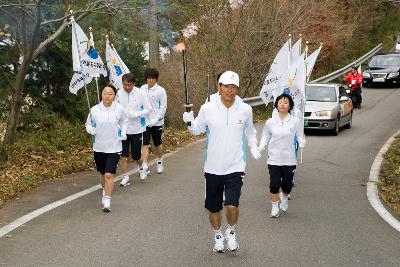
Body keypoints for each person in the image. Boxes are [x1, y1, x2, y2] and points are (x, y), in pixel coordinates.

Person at [183, 70, 261, 253]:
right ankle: (218, 235)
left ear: (237, 89)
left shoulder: (245, 109)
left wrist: (254, 148)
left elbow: (250, 132)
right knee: (213, 208)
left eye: (233, 87)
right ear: (219, 87)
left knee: (232, 206)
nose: (230, 90)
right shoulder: (208, 108)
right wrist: (188, 122)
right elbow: (196, 130)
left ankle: (231, 231)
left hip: (235, 166)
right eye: (226, 86)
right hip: (213, 167)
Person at [258, 93, 304, 218]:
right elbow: (265, 136)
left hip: (289, 158)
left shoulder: (295, 121)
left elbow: (300, 135)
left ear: (290, 106)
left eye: (286, 102)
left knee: (287, 185)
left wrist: (301, 142)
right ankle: (274, 208)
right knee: (274, 184)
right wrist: (261, 147)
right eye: (280, 102)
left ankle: (284, 196)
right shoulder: (270, 122)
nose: (283, 104)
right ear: (276, 105)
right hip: (273, 158)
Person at [85, 84, 127, 212]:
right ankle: (104, 190)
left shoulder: (119, 109)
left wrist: (123, 132)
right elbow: (88, 124)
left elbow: (124, 121)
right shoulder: (94, 110)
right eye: (105, 93)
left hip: (114, 147)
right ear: (101, 94)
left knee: (109, 175)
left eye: (110, 94)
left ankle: (107, 200)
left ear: (115, 96)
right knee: (103, 174)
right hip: (99, 147)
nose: (107, 96)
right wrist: (90, 130)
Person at [116, 73, 152, 185]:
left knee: (136, 156)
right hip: (122, 130)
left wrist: (136, 114)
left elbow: (148, 109)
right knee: (122, 156)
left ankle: (141, 167)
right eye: (125, 85)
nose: (127, 87)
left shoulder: (140, 93)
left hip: (137, 129)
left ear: (134, 84)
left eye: (129, 85)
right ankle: (125, 177)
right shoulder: (118, 94)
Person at [140, 68, 168, 174]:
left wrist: (155, 119)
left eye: (153, 78)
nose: (150, 80)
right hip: (145, 121)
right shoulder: (142, 88)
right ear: (146, 79)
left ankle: (160, 161)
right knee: (145, 143)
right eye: (148, 78)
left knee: (158, 144)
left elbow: (163, 107)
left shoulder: (161, 90)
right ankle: (144, 165)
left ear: (156, 79)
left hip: (157, 122)